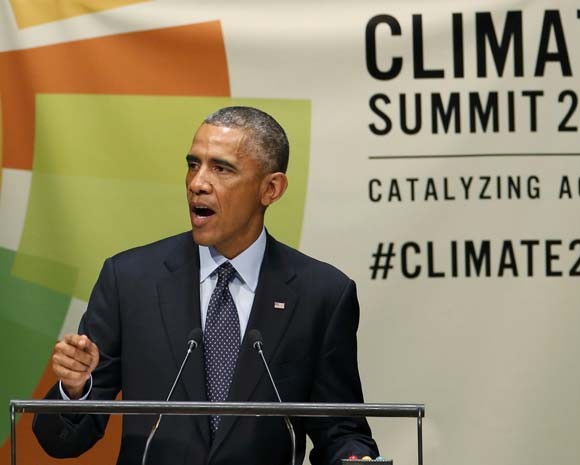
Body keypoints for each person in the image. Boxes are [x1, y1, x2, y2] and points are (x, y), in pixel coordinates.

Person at [33, 106, 379, 465]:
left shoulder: (321, 294)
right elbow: (62, 442)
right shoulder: (130, 280)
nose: (197, 182)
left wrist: (355, 459)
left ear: (271, 188)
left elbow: (340, 430)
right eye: (193, 164)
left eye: (221, 168)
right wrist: (74, 390)